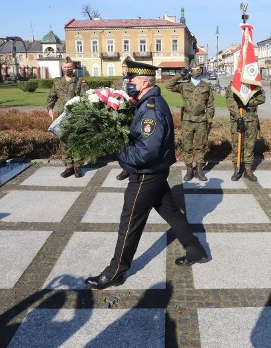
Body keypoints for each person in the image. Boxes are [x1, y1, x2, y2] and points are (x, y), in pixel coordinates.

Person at [85, 59, 208, 290]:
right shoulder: (147, 102)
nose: (127, 84)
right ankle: (196, 251)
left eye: (130, 80)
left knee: (130, 222)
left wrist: (119, 152)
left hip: (145, 175)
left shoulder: (151, 108)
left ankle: (115, 272)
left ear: (143, 82)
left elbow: (146, 152)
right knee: (171, 212)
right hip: (155, 173)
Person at [166, 59, 215, 181]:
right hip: (187, 120)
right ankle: (189, 170)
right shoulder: (184, 85)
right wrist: (179, 75)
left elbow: (210, 105)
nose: (198, 70)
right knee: (187, 146)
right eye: (195, 69)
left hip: (201, 120)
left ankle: (199, 170)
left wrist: (209, 120)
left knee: (200, 146)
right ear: (190, 71)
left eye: (199, 69)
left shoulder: (206, 86)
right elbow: (168, 85)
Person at [46, 56, 89, 178]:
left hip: (75, 115)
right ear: (61, 67)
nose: (67, 69)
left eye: (69, 67)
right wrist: (50, 108)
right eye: (65, 67)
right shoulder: (57, 82)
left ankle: (78, 166)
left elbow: (87, 98)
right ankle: (68, 166)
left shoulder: (81, 81)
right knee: (64, 140)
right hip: (61, 116)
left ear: (74, 68)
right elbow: (51, 97)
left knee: (77, 139)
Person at [226, 83, 266, 182]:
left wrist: (247, 102)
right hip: (237, 119)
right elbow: (231, 103)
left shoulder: (254, 85)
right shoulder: (233, 85)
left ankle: (248, 170)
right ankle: (237, 169)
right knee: (237, 145)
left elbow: (262, 98)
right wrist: (238, 118)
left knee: (250, 145)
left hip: (251, 118)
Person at [112, 56, 132, 181]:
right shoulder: (116, 83)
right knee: (122, 143)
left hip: (133, 116)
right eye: (124, 66)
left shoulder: (136, 82)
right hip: (120, 117)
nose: (126, 69)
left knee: (134, 142)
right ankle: (125, 168)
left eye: (128, 66)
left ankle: (134, 167)